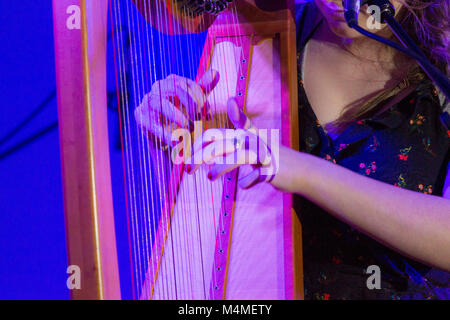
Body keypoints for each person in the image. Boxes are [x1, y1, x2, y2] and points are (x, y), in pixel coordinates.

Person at [135, 0, 450, 299]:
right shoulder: (266, 32)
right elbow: (218, 221)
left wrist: (296, 169)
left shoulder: (442, 69)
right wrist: (173, 142)